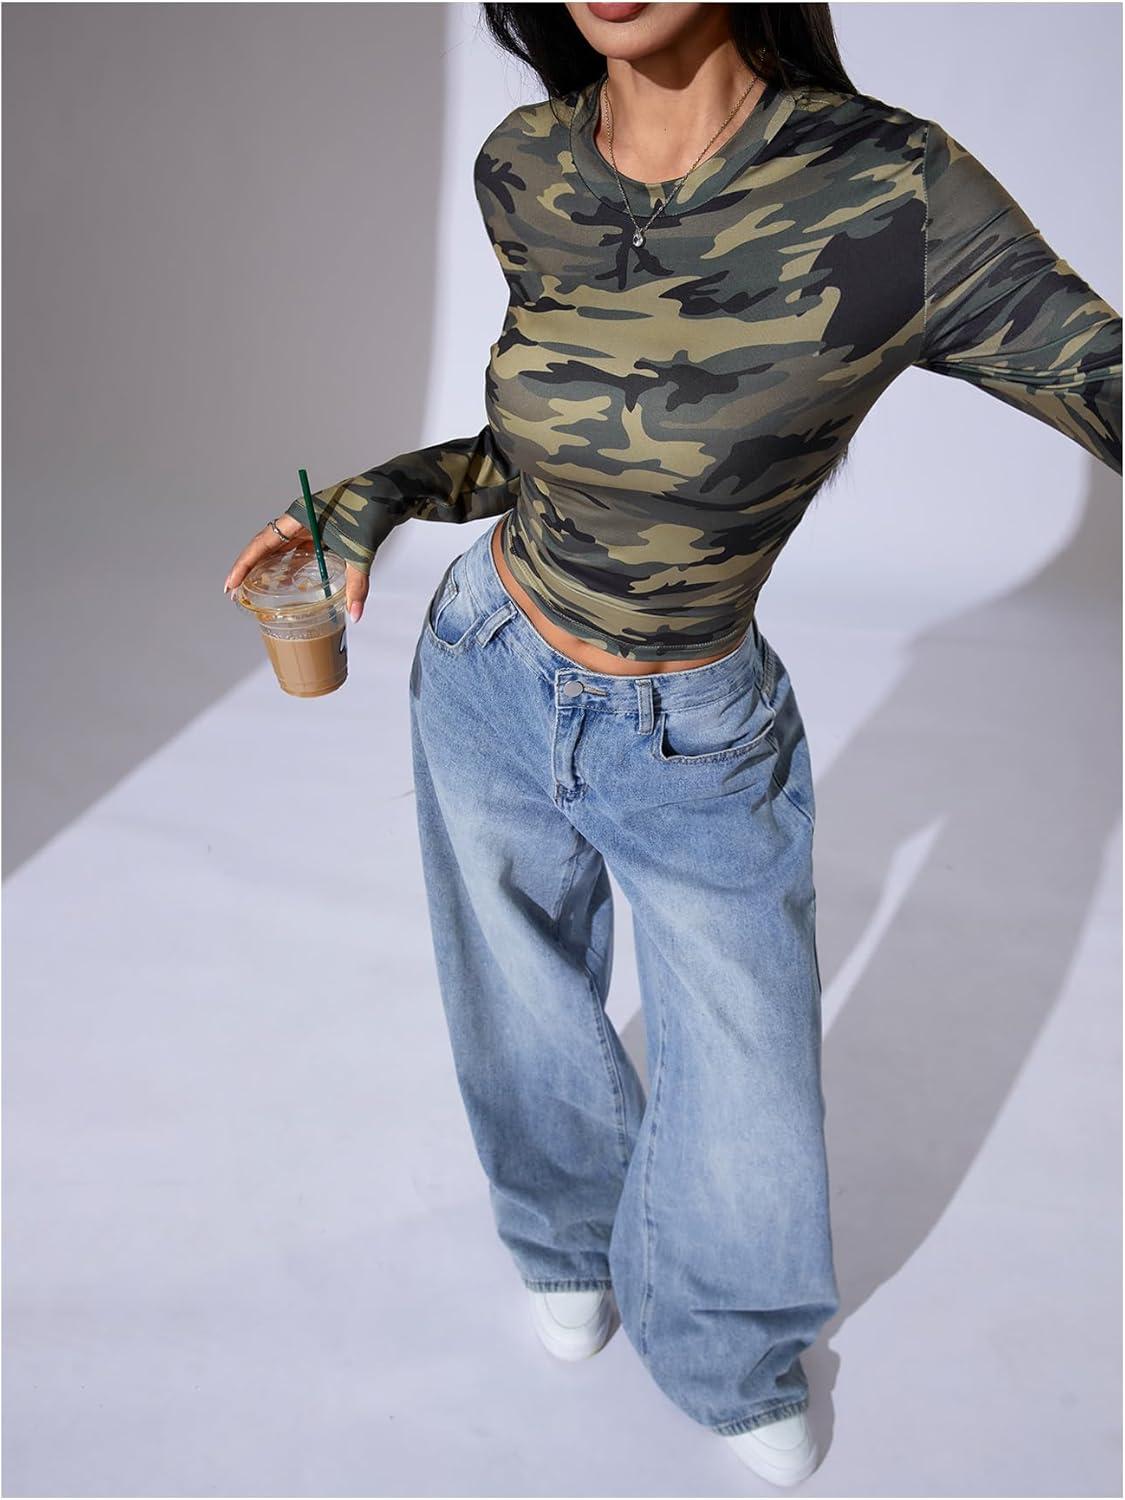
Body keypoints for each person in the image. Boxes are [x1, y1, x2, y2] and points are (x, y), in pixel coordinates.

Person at [223, 3, 1122, 1486]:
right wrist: (369, 500)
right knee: (516, 996)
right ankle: (560, 1237)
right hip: (485, 663)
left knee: (745, 1078)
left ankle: (727, 1344)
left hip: (694, 726)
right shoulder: (526, 166)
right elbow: (542, 446)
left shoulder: (888, 187)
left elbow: (1104, 376)